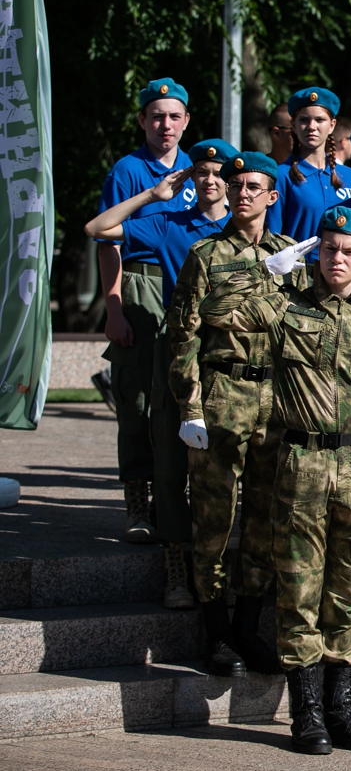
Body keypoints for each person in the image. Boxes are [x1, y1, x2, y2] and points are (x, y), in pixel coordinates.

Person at [200, 207, 351, 755]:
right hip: (302, 464)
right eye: (327, 249)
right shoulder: (287, 307)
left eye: (348, 250)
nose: (336, 259)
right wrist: (265, 274)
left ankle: (342, 709)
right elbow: (215, 314)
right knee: (298, 590)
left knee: (347, 593)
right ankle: (308, 713)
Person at [85, 138, 235, 611]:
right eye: (201, 173)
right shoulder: (170, 226)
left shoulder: (248, 231)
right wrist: (153, 196)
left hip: (233, 366)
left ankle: (226, 567)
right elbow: (99, 227)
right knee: (170, 464)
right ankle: (176, 565)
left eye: (218, 173)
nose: (210, 180)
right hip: (181, 360)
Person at [166, 151, 297, 676]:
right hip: (224, 390)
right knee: (215, 516)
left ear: (272, 196)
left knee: (266, 518)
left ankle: (248, 625)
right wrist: (189, 405)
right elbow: (184, 336)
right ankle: (215, 629)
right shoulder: (207, 253)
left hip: (278, 398)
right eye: (235, 184)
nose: (241, 193)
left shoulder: (292, 253)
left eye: (253, 187)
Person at [96, 77, 196, 548]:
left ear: (186, 121)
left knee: (178, 395)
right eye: (156, 116)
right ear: (142, 120)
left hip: (183, 285)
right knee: (136, 398)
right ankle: (137, 498)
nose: (166, 125)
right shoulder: (128, 169)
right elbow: (106, 242)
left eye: (174, 116)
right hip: (138, 283)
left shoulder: (199, 170)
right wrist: (114, 308)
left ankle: (172, 495)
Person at [270, 86, 351, 257]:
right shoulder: (281, 176)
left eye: (319, 120)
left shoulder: (350, 176)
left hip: (342, 273)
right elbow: (273, 237)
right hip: (298, 275)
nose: (311, 127)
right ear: (293, 126)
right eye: (304, 120)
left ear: (332, 125)